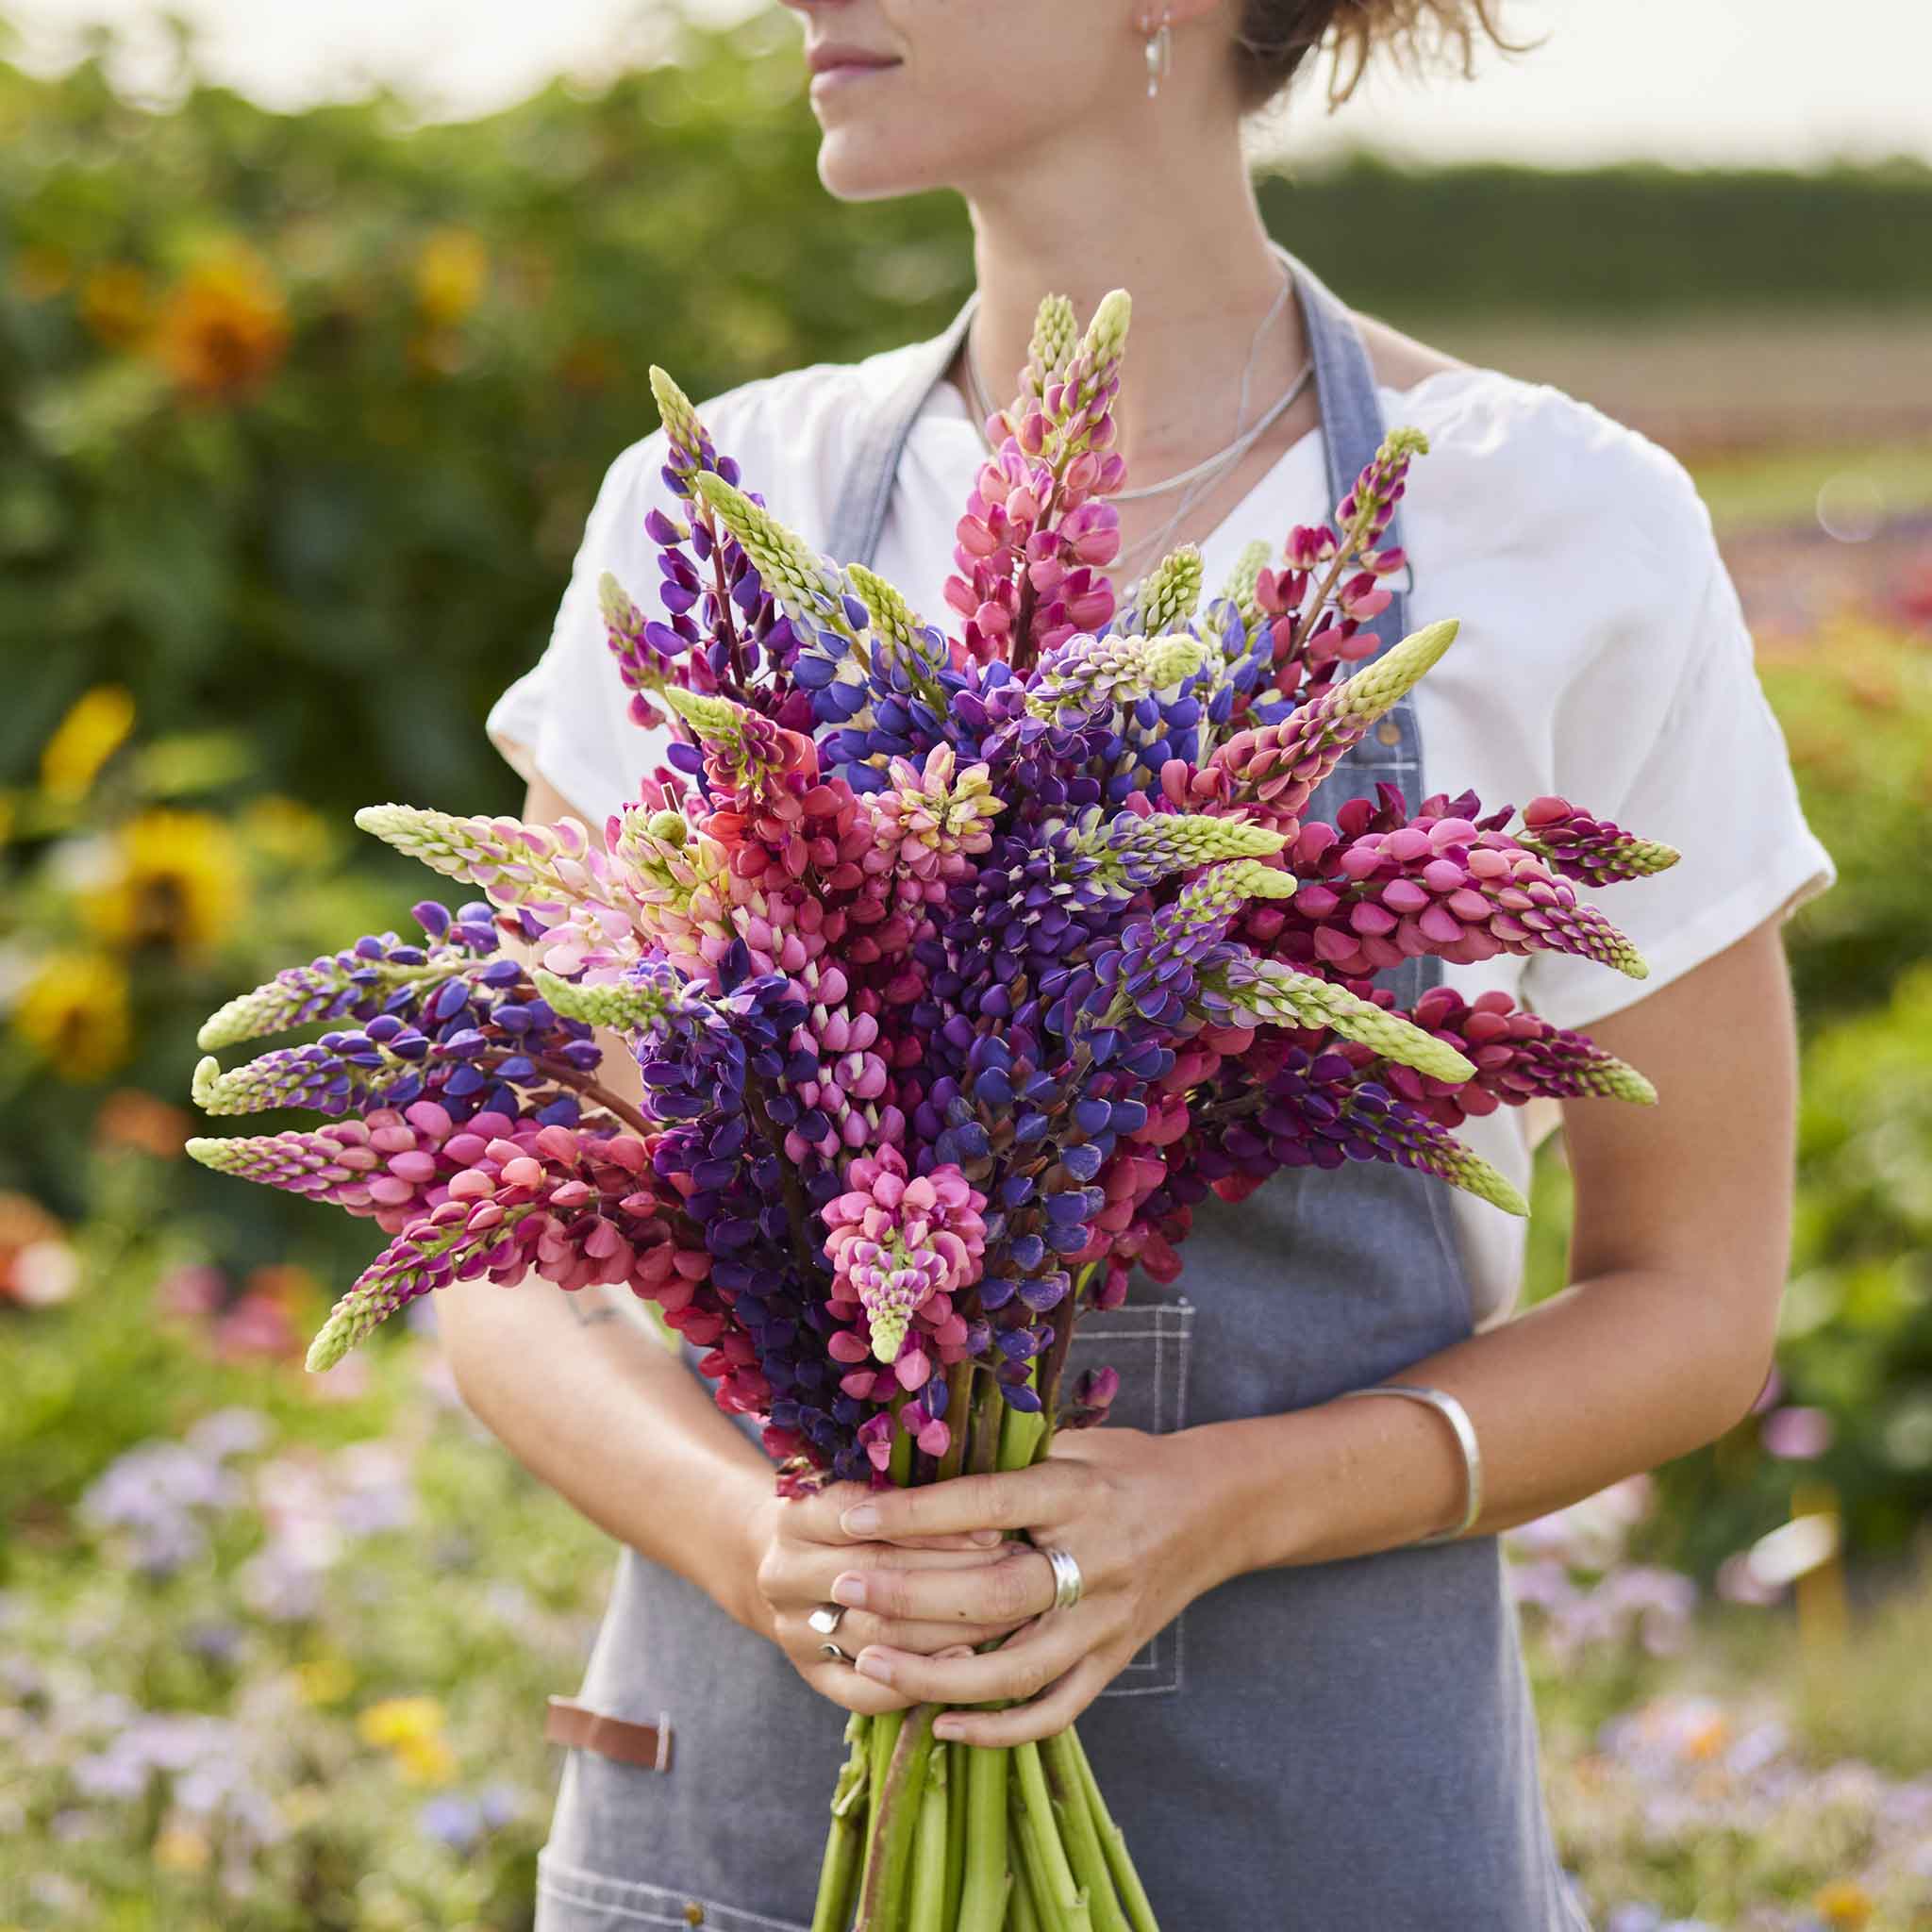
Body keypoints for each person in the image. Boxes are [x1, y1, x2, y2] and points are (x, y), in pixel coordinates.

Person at [441, 4, 1837, 1926]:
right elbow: (508, 1241)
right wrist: (776, 1542)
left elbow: (1691, 1299)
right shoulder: (718, 503)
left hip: (1316, 1826)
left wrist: (1228, 1505)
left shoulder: (1557, 528)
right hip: (744, 1831)